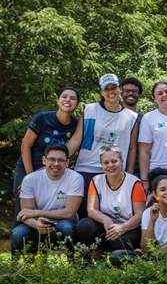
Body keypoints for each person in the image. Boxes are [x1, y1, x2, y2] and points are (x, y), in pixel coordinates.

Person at [70, 74, 139, 219]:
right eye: (106, 89)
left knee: (114, 215)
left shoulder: (131, 117)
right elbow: (76, 140)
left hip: (115, 172)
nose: (111, 91)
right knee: (85, 217)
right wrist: (59, 159)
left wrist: (130, 174)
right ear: (101, 92)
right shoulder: (90, 110)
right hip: (87, 168)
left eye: (113, 87)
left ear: (120, 89)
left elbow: (132, 148)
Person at [13, 86, 80, 220]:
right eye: (64, 96)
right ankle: (20, 239)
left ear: (77, 104)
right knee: (23, 211)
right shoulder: (43, 118)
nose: (68, 100)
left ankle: (49, 239)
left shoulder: (76, 125)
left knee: (47, 208)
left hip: (54, 169)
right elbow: (25, 145)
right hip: (29, 166)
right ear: (58, 100)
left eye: (73, 98)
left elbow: (71, 149)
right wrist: (30, 176)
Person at [109, 169, 167, 265]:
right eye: (162, 190)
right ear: (154, 194)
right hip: (155, 256)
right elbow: (145, 247)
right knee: (117, 256)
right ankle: (150, 267)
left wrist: (160, 252)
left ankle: (149, 268)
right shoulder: (147, 213)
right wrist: (152, 221)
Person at [12, 145, 83, 254]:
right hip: (38, 223)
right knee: (18, 233)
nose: (56, 163)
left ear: (67, 163)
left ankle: (73, 263)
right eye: (52, 159)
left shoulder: (76, 178)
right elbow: (25, 214)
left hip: (63, 222)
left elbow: (69, 212)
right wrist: (36, 224)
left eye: (61, 160)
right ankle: (16, 267)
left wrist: (37, 212)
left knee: (66, 227)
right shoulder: (29, 179)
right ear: (44, 160)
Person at [76, 145, 146, 253]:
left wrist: (122, 228)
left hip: (129, 227)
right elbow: (91, 210)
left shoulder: (135, 183)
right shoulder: (96, 180)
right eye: (106, 162)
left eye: (114, 161)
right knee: (84, 225)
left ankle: (119, 255)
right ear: (101, 165)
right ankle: (97, 253)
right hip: (106, 226)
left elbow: (140, 215)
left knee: (118, 241)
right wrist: (105, 219)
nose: (110, 165)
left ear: (122, 162)